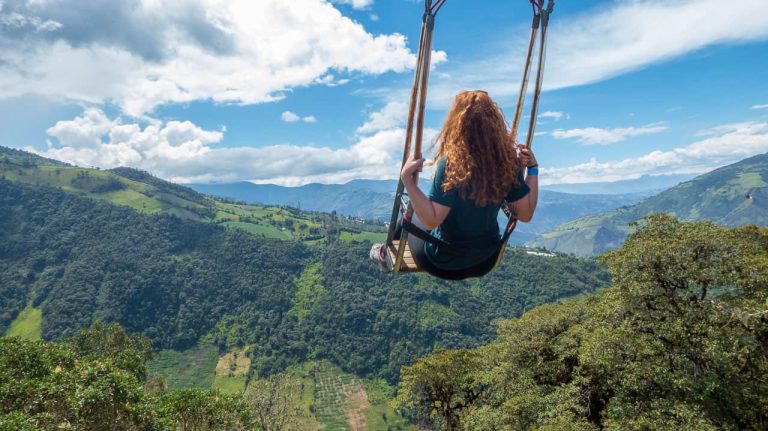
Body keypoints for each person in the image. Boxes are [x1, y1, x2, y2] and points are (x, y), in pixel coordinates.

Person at [370, 90, 539, 279]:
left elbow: (432, 220)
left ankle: (385, 254)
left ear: (457, 123)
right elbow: (525, 214)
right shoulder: (507, 162)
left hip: (443, 262)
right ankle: (386, 251)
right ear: (495, 123)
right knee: (422, 208)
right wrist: (532, 168)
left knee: (412, 209)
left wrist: (407, 180)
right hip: (485, 260)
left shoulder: (452, 163)